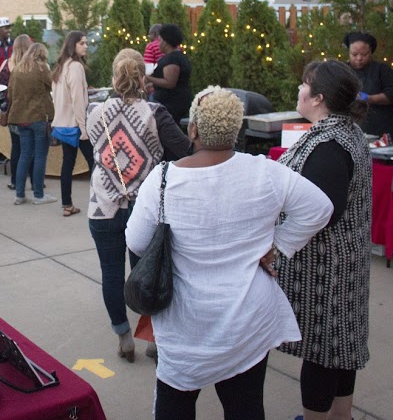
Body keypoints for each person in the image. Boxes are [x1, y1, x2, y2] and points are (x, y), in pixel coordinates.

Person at [126, 86, 333, 420]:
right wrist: (279, 245)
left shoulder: (163, 180)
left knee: (175, 403)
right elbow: (320, 208)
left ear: (192, 129)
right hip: (247, 322)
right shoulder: (265, 172)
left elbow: (136, 242)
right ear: (236, 132)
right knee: (245, 406)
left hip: (186, 323)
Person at [276, 60, 372, 420]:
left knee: (322, 352)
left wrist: (278, 244)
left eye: (304, 85)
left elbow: (320, 210)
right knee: (340, 348)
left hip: (326, 271)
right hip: (343, 262)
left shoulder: (330, 143)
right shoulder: (342, 132)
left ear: (318, 98)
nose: (299, 91)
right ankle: (341, 415)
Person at [86, 49, 192, 363]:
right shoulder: (155, 113)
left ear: (114, 78)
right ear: (143, 79)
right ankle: (154, 339)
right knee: (149, 275)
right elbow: (185, 149)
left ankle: (124, 338)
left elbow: (89, 146)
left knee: (111, 275)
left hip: (103, 207)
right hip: (144, 210)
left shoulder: (94, 110)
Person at [7, 42, 57, 205]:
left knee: (25, 155)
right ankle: (38, 194)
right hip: (39, 116)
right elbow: (52, 86)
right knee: (40, 156)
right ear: (42, 54)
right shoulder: (42, 68)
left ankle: (19, 194)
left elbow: (10, 94)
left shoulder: (17, 69)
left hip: (20, 118)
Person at [52, 31, 94, 217]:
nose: (86, 46)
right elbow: (78, 100)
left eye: (86, 43)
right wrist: (84, 127)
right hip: (76, 125)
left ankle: (67, 204)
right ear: (73, 45)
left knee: (67, 163)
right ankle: (101, 200)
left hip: (62, 123)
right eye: (82, 43)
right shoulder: (76, 67)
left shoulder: (61, 66)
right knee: (95, 162)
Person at [344, 31, 393, 138]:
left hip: (379, 127)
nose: (359, 58)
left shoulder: (382, 70)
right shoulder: (342, 71)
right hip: (349, 128)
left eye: (364, 54)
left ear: (371, 52)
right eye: (354, 54)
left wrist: (370, 98)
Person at [0, 34, 33, 191]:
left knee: (16, 146)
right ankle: (34, 180)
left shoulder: (6, 64)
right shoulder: (32, 66)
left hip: (12, 111)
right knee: (31, 147)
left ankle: (14, 180)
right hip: (29, 111)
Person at [145, 24, 192, 122]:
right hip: (170, 102)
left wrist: (148, 77)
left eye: (160, 40)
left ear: (166, 42)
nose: (158, 44)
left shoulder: (172, 59)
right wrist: (152, 85)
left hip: (172, 105)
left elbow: (170, 83)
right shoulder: (175, 56)